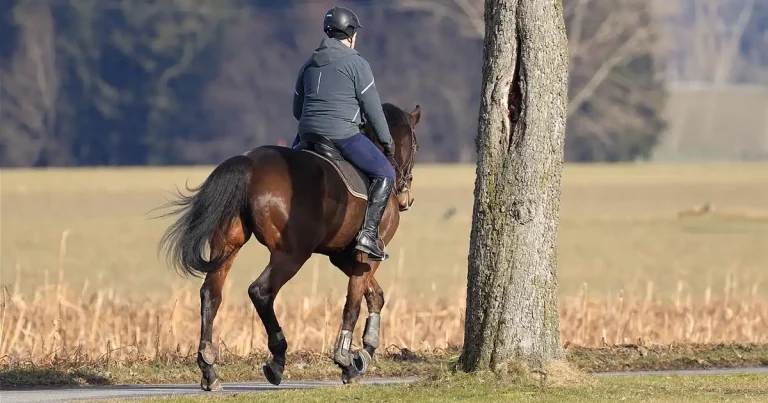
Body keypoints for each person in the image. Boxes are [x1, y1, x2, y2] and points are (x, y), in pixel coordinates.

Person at [291, 6, 396, 261]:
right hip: (342, 136)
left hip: (305, 138)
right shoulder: (357, 64)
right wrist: (387, 141)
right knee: (386, 173)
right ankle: (368, 236)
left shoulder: (308, 65)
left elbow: (297, 110)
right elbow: (373, 110)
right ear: (350, 33)